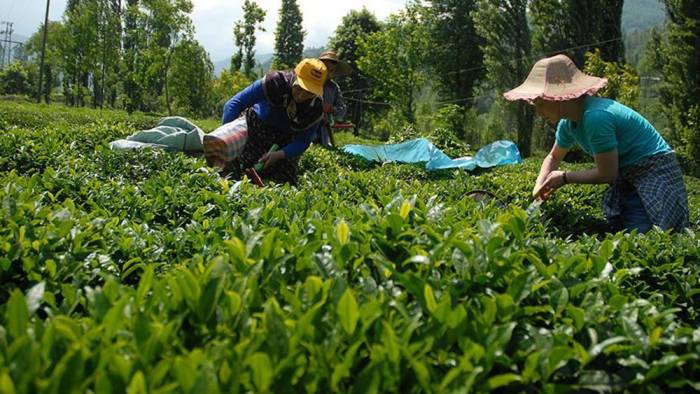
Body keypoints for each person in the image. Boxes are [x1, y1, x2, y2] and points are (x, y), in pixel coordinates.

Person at [504, 54, 688, 233]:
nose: (539, 112)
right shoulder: (567, 124)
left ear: (558, 97)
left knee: (648, 234)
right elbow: (553, 156)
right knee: (625, 229)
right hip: (626, 176)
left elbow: (607, 174)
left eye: (541, 104)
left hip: (653, 171)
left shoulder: (595, 117)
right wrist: (540, 185)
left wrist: (565, 177)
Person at [222, 58, 328, 184]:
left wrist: (280, 154)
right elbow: (233, 105)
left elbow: (303, 140)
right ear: (294, 76)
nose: (301, 96)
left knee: (286, 181)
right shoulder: (274, 82)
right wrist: (227, 142)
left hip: (284, 141)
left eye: (309, 93)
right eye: (299, 88)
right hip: (256, 128)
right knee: (243, 170)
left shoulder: (316, 108)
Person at [314, 51, 352, 147]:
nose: (327, 72)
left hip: (323, 134)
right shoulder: (308, 82)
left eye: (330, 70)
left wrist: (331, 109)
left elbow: (342, 110)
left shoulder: (333, 87)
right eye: (325, 68)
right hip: (303, 131)